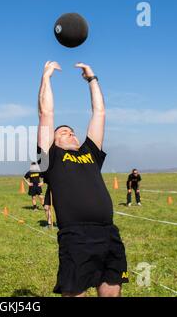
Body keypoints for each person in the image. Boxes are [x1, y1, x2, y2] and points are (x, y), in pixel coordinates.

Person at [37, 61, 128, 297]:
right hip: (76, 235)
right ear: (54, 141)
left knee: (112, 289)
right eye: (63, 132)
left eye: (72, 131)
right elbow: (46, 113)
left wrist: (92, 79)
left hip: (108, 233)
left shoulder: (90, 153)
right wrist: (46, 78)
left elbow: (99, 113)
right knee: (75, 291)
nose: (70, 133)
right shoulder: (51, 158)